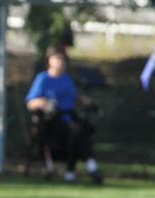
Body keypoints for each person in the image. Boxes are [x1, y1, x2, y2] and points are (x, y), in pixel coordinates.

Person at [25, 47, 102, 184]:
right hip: (52, 121)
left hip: (69, 118)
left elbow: (74, 97)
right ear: (49, 61)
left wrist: (85, 101)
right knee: (77, 131)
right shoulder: (43, 79)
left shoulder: (67, 79)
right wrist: (43, 102)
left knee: (82, 130)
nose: (61, 62)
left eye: (63, 59)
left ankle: (76, 171)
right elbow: (31, 102)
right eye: (57, 58)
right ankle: (81, 169)